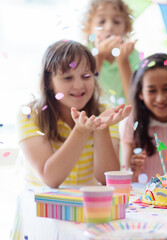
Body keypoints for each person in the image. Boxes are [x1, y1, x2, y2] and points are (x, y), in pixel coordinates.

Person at [10, 40, 131, 239]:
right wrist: (81, 131)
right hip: (41, 214)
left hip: (87, 211)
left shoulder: (103, 111)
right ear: (49, 82)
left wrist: (101, 128)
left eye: (86, 76)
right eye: (67, 77)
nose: (78, 85)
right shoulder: (29, 114)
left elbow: (104, 177)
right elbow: (51, 178)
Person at [120, 53, 167, 182]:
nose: (161, 98)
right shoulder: (132, 123)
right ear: (141, 93)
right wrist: (132, 170)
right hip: (145, 197)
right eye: (152, 91)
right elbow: (127, 176)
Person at [83, 0, 140, 104]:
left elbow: (134, 103)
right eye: (101, 22)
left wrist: (123, 61)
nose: (109, 27)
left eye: (117, 22)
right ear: (89, 29)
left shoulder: (132, 55)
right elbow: (83, 94)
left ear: (126, 28)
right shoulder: (84, 54)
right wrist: (99, 57)